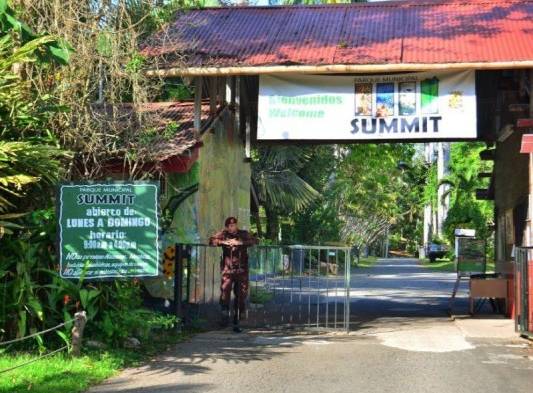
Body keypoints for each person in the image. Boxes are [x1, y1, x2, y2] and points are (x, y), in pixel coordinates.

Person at [209, 217, 258, 333]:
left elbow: (255, 241)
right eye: (229, 226)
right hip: (228, 269)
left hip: (242, 269)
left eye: (233, 225)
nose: (231, 227)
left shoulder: (243, 234)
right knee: (225, 291)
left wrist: (240, 243)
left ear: (236, 225)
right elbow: (211, 241)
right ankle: (225, 313)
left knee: (241, 293)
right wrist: (223, 242)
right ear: (226, 227)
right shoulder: (223, 234)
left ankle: (238, 316)